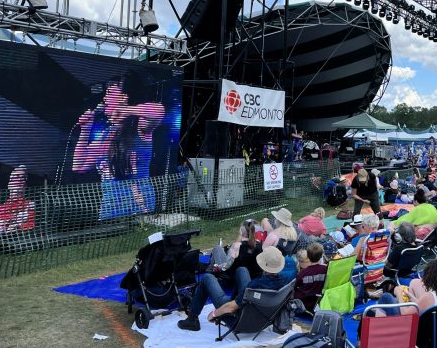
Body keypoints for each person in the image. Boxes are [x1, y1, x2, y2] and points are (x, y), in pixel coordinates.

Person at [72, 73, 165, 219]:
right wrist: (85, 130)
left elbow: (158, 111)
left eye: (109, 93)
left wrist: (126, 110)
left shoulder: (138, 127)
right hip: (110, 210)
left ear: (123, 97)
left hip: (138, 210)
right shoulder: (106, 135)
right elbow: (79, 166)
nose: (104, 98)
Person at [178, 246, 288, 331]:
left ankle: (192, 319)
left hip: (240, 321)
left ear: (263, 264)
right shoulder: (284, 282)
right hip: (263, 322)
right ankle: (235, 299)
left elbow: (230, 308)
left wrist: (214, 314)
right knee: (242, 270)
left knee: (207, 278)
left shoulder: (255, 286)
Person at [371, 258, 437, 316]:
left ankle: (377, 331)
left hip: (416, 332)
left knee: (386, 297)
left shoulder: (430, 296)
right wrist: (409, 295)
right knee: (380, 307)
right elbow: (424, 305)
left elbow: (405, 314)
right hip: (436, 333)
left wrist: (399, 294)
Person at [0, 165, 36, 238]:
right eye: (14, 178)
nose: (17, 180)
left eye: (21, 178)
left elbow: (28, 226)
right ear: (9, 185)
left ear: (25, 185)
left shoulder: (29, 205)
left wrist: (15, 227)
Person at [294, 242, 327, 312]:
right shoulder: (326, 269)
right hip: (319, 302)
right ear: (321, 256)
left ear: (308, 256)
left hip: (304, 303)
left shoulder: (303, 273)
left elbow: (295, 286)